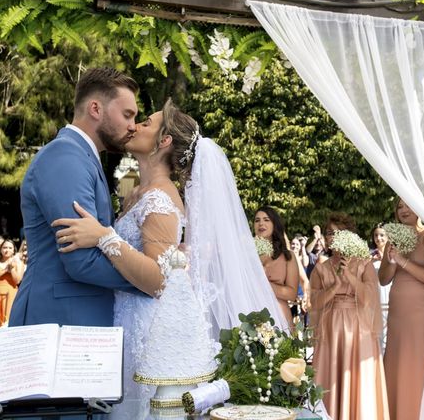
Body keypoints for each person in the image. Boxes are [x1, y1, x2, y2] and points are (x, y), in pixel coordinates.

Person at [52, 100, 287, 418]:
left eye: (146, 122)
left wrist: (103, 237)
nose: (135, 125)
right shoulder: (141, 192)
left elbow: (158, 280)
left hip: (149, 333)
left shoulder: (160, 199)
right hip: (128, 321)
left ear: (164, 141)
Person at [9, 67, 143, 328]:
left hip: (76, 318)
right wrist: (152, 277)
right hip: (56, 321)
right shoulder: (65, 157)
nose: (132, 126)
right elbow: (81, 260)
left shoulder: (84, 157)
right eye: (127, 114)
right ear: (95, 109)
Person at [310, 212, 388, 420]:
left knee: (358, 379)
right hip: (330, 329)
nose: (332, 237)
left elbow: (371, 298)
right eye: (328, 233)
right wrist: (335, 286)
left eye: (338, 232)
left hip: (359, 328)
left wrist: (351, 278)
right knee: (330, 377)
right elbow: (314, 304)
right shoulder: (321, 268)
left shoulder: (364, 263)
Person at [378, 198, 424, 420]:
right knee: (397, 361)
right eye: (399, 207)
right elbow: (383, 279)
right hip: (398, 311)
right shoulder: (393, 239)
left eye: (408, 205)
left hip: (421, 310)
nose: (403, 210)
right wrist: (391, 260)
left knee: (417, 359)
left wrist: (403, 261)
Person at [253, 206, 300, 326]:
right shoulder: (246, 254)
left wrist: (264, 283)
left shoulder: (288, 256)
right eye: (257, 220)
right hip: (250, 311)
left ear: (275, 224)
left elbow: (292, 294)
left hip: (278, 315)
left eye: (266, 219)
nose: (261, 223)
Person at [0, 239, 25, 327]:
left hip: (10, 295)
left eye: (10, 248)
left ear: (13, 251)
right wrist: (4, 270)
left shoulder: (19, 263)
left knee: (8, 322)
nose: (7, 250)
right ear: (0, 249)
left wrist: (11, 269)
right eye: (4, 247)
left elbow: (17, 280)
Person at [370, 223, 391, 352]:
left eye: (382, 235)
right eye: (376, 235)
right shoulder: (370, 255)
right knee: (378, 333)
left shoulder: (392, 254)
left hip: (389, 293)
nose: (379, 238)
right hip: (375, 296)